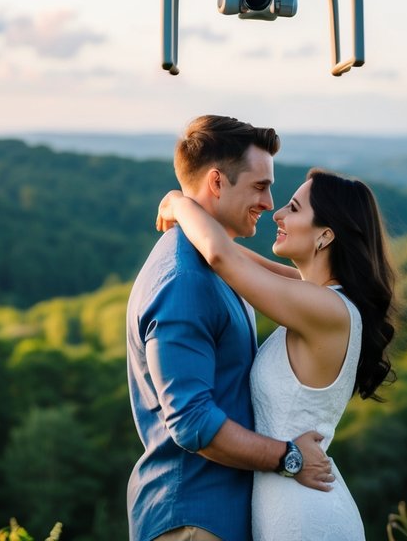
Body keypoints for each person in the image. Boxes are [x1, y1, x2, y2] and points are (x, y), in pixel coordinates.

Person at [156, 167, 400, 540]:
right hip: (286, 502)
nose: (278, 213)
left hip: (305, 515)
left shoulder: (326, 309)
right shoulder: (317, 296)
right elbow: (238, 257)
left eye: (294, 208)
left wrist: (178, 202)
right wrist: (191, 222)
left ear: (324, 236)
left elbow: (223, 258)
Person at [126, 115, 335, 541]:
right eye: (260, 186)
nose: (268, 201)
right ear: (218, 183)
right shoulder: (184, 282)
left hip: (218, 517)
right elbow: (192, 422)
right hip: (192, 519)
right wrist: (290, 457)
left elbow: (305, 285)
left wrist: (180, 204)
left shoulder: (220, 265)